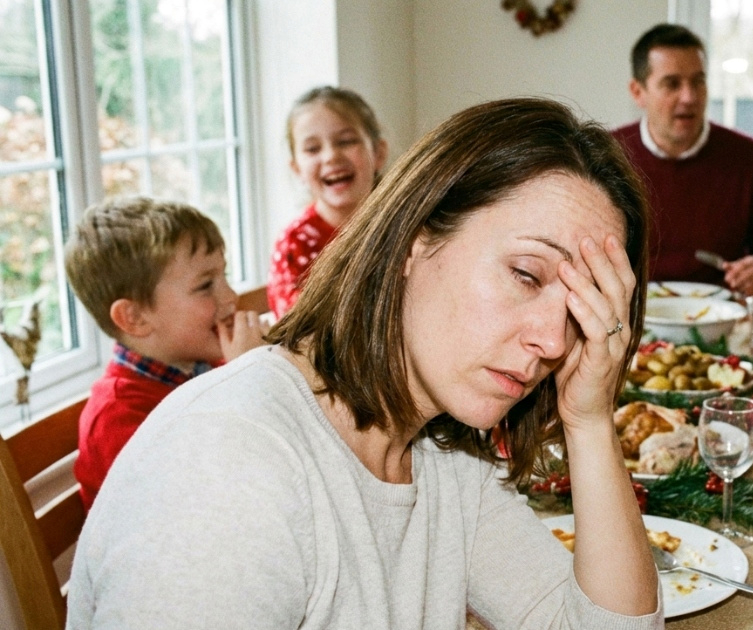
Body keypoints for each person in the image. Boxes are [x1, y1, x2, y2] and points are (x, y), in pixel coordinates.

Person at [67, 98, 662, 629]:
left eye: (579, 311)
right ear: (415, 239)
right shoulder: (227, 467)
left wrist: (589, 420)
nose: (554, 343)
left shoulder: (440, 453)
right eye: (526, 274)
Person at [64, 197, 268, 510]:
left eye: (224, 276)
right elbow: (219, 499)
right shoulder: (117, 421)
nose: (230, 296)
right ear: (135, 318)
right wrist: (250, 382)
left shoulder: (203, 367)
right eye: (205, 286)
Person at [612, 23, 753, 297]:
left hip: (720, 322)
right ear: (638, 92)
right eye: (672, 84)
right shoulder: (606, 155)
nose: (689, 97)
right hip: (630, 323)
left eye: (698, 81)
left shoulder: (749, 158)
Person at [267, 86, 389, 318]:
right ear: (297, 169)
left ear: (378, 153)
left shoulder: (405, 223)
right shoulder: (295, 245)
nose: (331, 156)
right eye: (313, 149)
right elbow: (301, 331)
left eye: (346, 141)